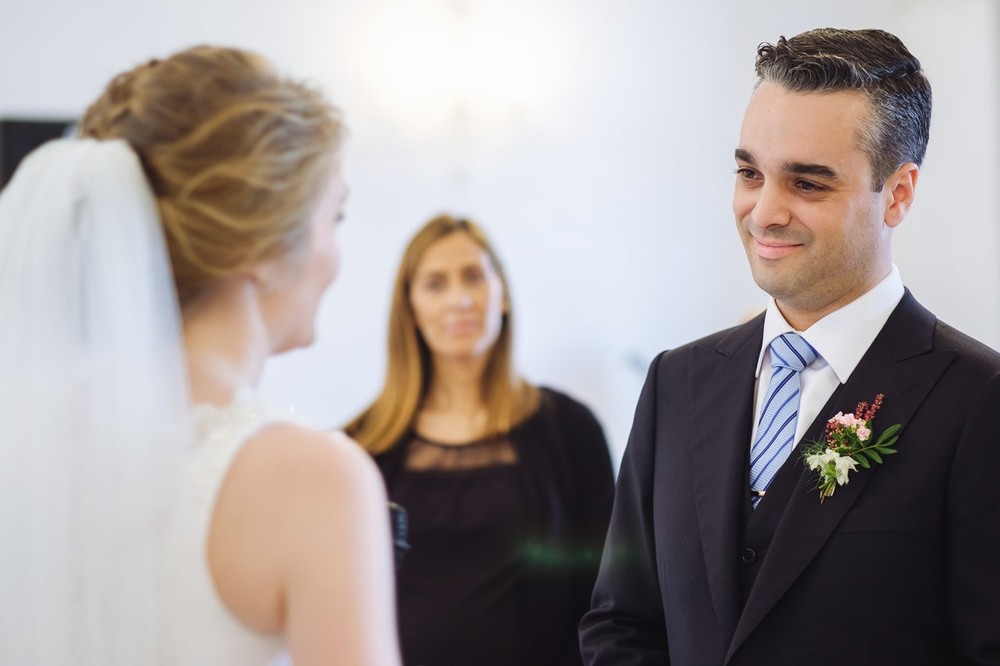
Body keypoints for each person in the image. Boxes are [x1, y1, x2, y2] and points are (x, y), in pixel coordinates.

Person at [579, 28, 1000, 665]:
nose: (763, 212)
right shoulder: (678, 382)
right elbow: (622, 621)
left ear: (900, 194)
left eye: (807, 184)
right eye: (751, 173)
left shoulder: (978, 401)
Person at [0, 46, 401, 665]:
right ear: (262, 247)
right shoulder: (315, 479)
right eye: (334, 215)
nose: (336, 253)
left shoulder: (25, 448)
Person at [345, 214, 615, 666]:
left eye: (474, 276)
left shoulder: (571, 430)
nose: (460, 299)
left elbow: (609, 594)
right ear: (410, 308)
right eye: (435, 284)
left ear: (502, 293)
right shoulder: (360, 449)